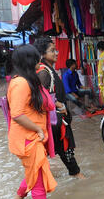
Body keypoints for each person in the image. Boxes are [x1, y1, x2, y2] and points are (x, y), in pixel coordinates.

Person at [5, 44, 57, 199]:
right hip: (28, 138)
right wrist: (37, 129)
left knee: (33, 172)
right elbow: (17, 114)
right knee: (38, 179)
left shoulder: (27, 80)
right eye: (37, 58)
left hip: (32, 136)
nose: (40, 60)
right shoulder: (20, 83)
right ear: (29, 60)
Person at [33, 37, 86, 180]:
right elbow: (42, 96)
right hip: (56, 120)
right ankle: (78, 176)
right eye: (52, 50)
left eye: (55, 49)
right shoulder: (44, 71)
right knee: (66, 149)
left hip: (57, 118)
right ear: (42, 54)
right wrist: (59, 105)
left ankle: (46, 177)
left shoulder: (47, 69)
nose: (56, 53)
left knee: (61, 149)